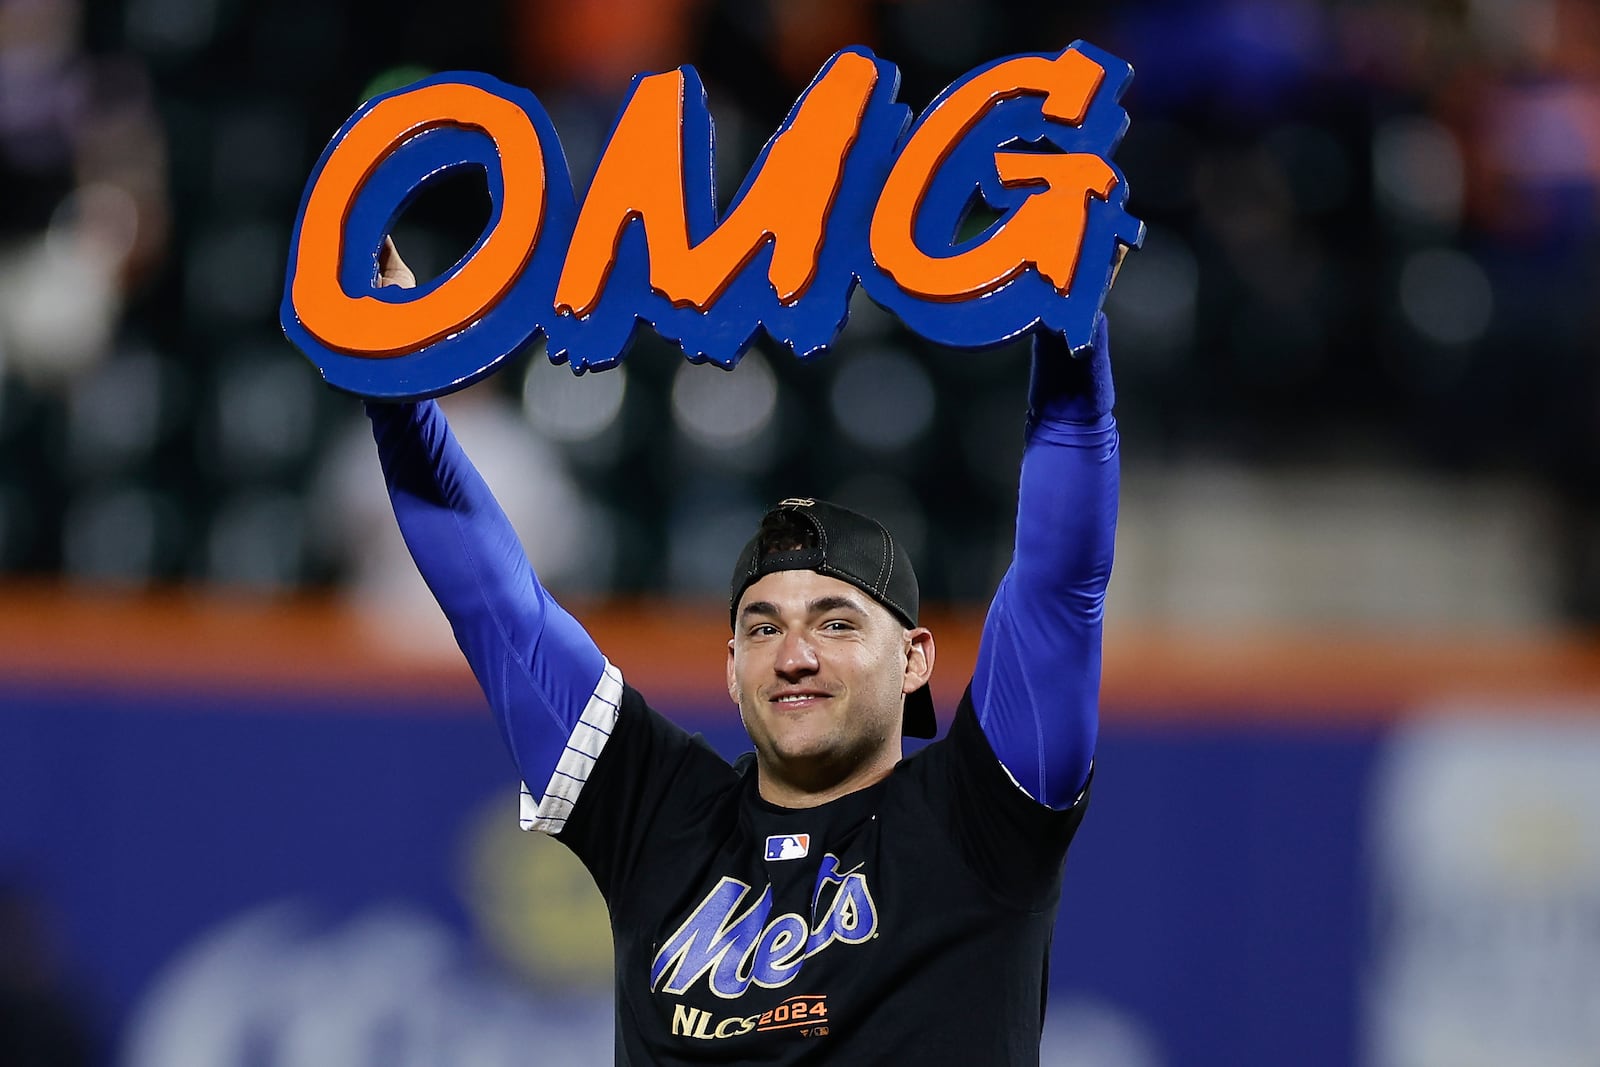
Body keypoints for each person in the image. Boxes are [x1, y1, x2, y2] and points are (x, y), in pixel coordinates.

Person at [365, 238, 1119, 1064]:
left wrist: (1072, 341)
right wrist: (398, 395)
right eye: (763, 627)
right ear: (730, 668)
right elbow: (493, 602)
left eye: (836, 623)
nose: (793, 654)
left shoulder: (980, 816)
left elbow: (1060, 579)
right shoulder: (660, 815)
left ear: (914, 660)